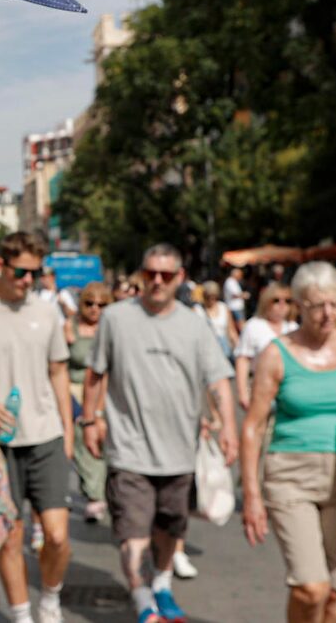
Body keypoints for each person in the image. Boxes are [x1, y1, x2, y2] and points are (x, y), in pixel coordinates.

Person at [83, 243, 237, 623]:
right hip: (128, 448)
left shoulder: (194, 323)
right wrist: (90, 420)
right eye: (150, 273)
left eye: (166, 275)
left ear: (180, 278)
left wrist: (229, 427)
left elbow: (218, 379)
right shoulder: (116, 318)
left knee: (170, 527)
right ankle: (142, 600)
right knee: (134, 534)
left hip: (180, 450)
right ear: (141, 274)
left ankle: (162, 585)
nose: (156, 281)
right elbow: (95, 374)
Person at [241, 261, 336, 623]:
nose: (327, 314)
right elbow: (253, 427)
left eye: (334, 303)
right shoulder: (277, 354)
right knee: (312, 588)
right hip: (290, 474)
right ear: (298, 305)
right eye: (316, 306)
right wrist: (251, 496)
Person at [0, 232, 75, 623]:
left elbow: (58, 370)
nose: (28, 281)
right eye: (21, 272)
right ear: (1, 267)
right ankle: (22, 616)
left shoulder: (46, 311)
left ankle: (50, 598)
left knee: (56, 535)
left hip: (46, 435)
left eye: (35, 274)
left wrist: (67, 430)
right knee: (12, 537)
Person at [66, 281, 111, 525]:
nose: (95, 309)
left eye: (102, 304)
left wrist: (100, 406)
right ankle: (93, 493)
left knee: (101, 442)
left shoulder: (111, 328)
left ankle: (98, 491)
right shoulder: (70, 326)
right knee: (81, 443)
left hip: (103, 390)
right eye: (90, 304)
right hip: (74, 391)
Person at [236, 283, 297, 410]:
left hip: (289, 393)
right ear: (266, 302)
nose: (282, 305)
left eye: (287, 301)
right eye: (276, 300)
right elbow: (243, 359)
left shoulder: (293, 327)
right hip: (260, 389)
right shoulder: (254, 326)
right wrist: (242, 392)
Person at [198, 281, 236, 358]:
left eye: (214, 297)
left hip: (223, 351)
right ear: (204, 296)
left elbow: (231, 331)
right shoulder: (197, 310)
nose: (211, 300)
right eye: (208, 297)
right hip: (205, 351)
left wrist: (238, 349)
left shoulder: (224, 308)